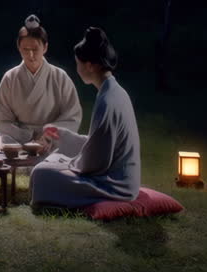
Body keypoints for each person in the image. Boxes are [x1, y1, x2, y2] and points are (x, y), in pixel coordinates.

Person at [30, 26, 140, 208]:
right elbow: (100, 145)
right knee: (53, 160)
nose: (77, 68)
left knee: (42, 173)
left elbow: (96, 160)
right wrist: (60, 135)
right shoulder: (113, 92)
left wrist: (69, 162)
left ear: (89, 65)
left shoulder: (108, 100)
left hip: (115, 185)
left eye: (78, 63)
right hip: (116, 176)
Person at [0, 14, 82, 150]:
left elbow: (72, 117)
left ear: (45, 47)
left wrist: (47, 136)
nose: (31, 55)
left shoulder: (60, 77)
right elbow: (3, 120)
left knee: (71, 148)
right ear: (19, 47)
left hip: (50, 139)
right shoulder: (10, 78)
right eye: (26, 50)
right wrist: (28, 136)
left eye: (35, 49)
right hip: (18, 138)